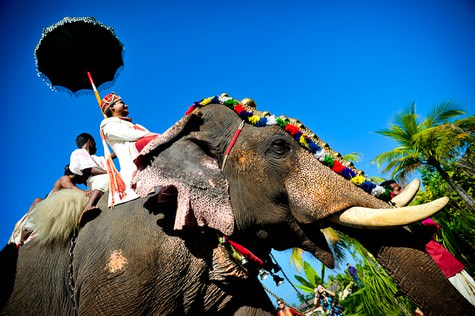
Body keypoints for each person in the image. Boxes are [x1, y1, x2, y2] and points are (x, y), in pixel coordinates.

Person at [100, 92, 158, 206]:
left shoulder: (136, 125)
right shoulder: (108, 126)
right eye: (121, 103)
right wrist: (155, 136)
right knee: (149, 141)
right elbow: (130, 135)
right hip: (134, 160)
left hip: (145, 151)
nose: (126, 105)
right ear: (112, 108)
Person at [9, 165, 88, 247]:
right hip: (44, 213)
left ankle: (24, 239)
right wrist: (84, 192)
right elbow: (71, 186)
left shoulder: (71, 183)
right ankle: (23, 239)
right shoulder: (65, 179)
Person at [421, 218, 475, 305]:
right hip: (446, 270)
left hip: (448, 267)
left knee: (468, 295)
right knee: (466, 296)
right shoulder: (420, 232)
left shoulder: (421, 229)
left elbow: (432, 224)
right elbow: (433, 225)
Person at [69, 133, 110, 213]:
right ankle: (88, 207)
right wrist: (108, 173)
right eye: (94, 143)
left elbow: (108, 158)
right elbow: (89, 169)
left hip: (100, 177)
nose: (95, 146)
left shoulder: (94, 157)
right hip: (94, 180)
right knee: (107, 180)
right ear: (90, 141)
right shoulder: (78, 152)